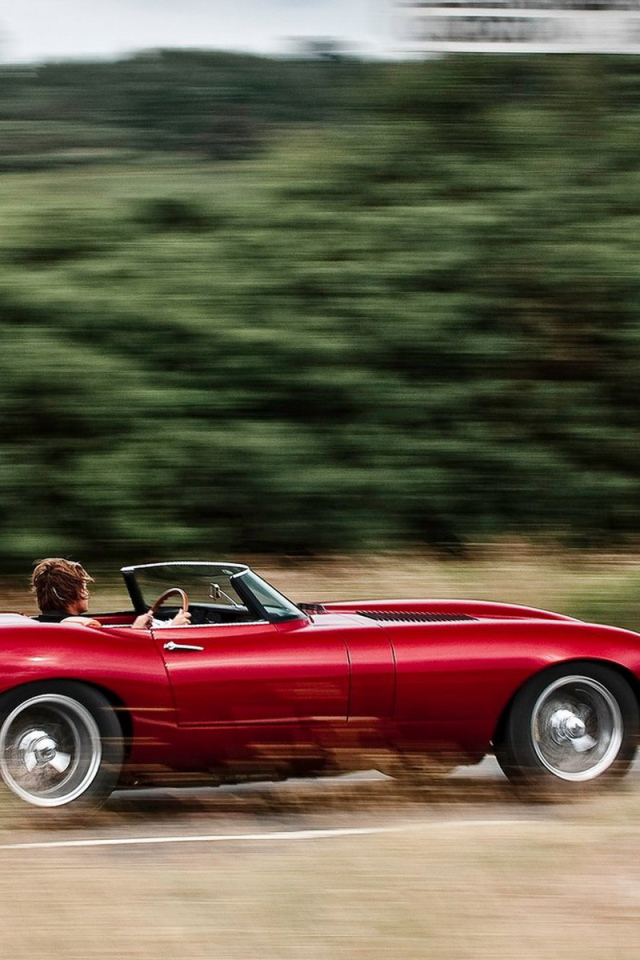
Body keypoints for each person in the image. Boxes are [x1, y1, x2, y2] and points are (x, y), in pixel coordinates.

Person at [31, 558, 190, 629]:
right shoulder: (82, 627)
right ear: (72, 592)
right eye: (84, 586)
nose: (87, 592)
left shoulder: (39, 624)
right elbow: (118, 657)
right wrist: (172, 627)